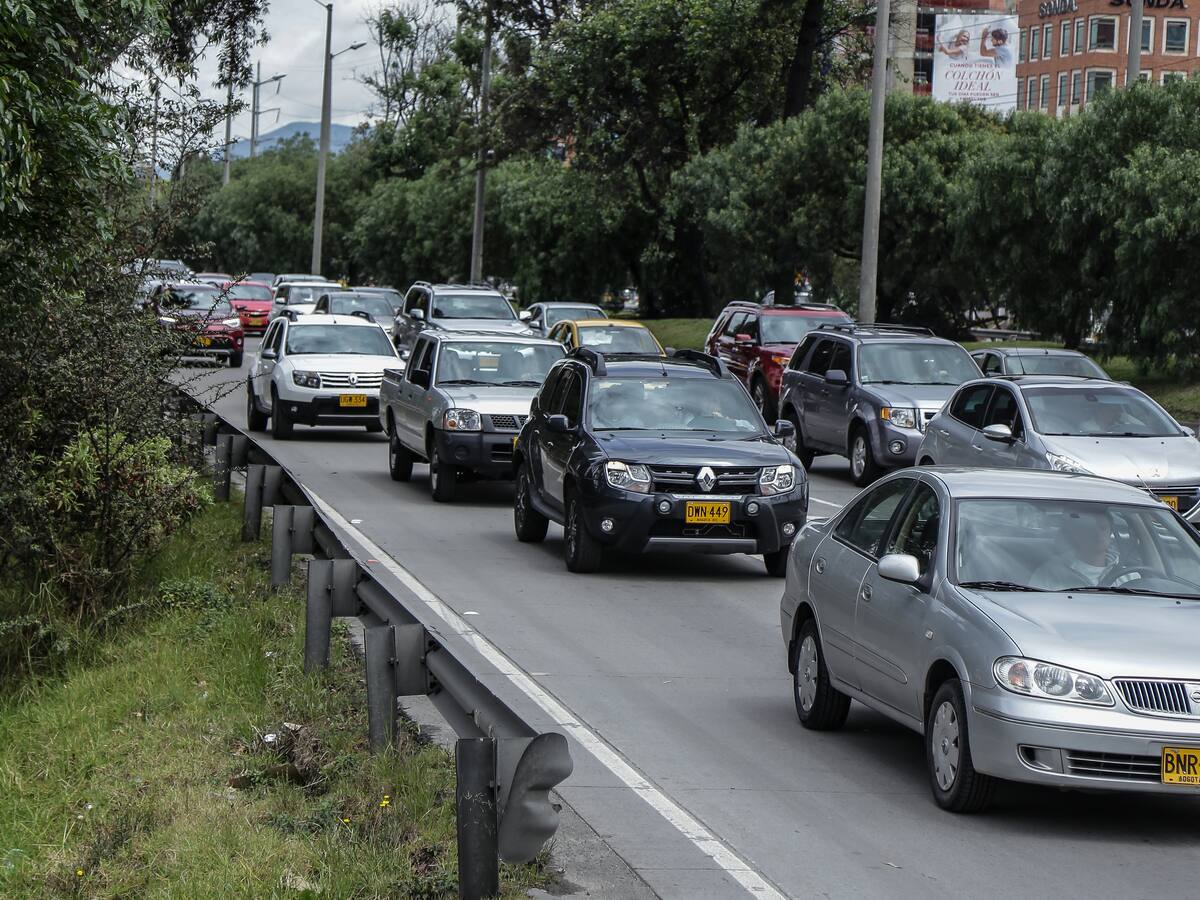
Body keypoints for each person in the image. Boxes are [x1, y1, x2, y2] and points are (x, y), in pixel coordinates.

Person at [1029, 509, 1117, 589]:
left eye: (1103, 528)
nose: (1098, 534)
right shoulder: (1050, 572)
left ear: (1110, 532)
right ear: (1076, 534)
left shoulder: (1122, 571)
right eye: (1090, 528)